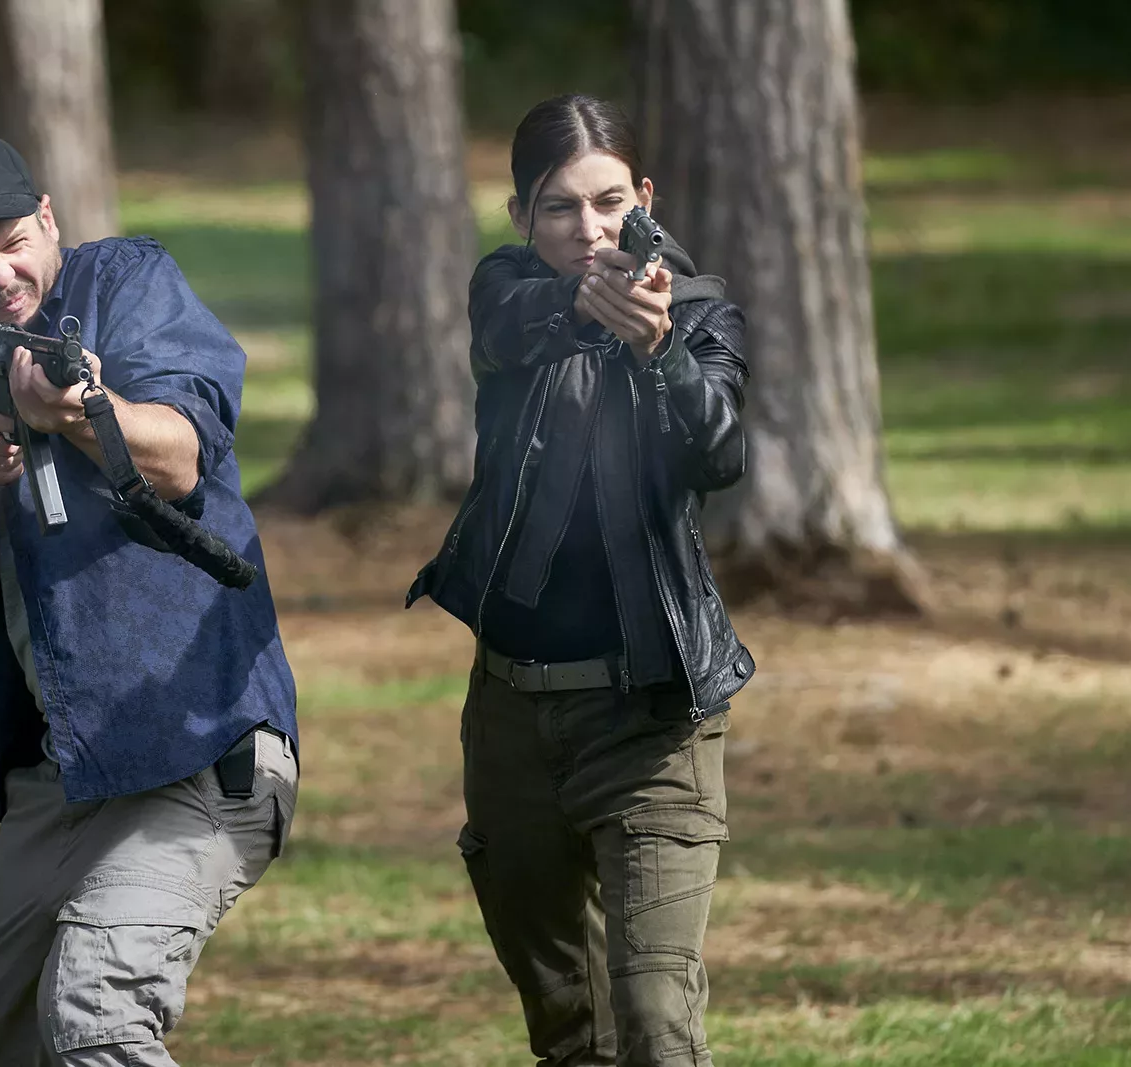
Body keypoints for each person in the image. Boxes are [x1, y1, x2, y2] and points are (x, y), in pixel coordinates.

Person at [0, 129, 298, 1067]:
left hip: (201, 751)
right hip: (60, 777)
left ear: (49, 219)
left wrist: (79, 411)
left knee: (97, 1015)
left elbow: (181, 457)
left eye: (13, 242)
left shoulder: (126, 285)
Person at [406, 94, 757, 1066]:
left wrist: (658, 349)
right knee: (570, 1032)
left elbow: (721, 454)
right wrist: (580, 308)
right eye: (559, 207)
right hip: (513, 720)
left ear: (644, 197)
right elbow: (506, 326)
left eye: (609, 202)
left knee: (655, 1023)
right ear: (521, 215)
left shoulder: (699, 311)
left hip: (651, 718)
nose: (588, 228)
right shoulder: (508, 289)